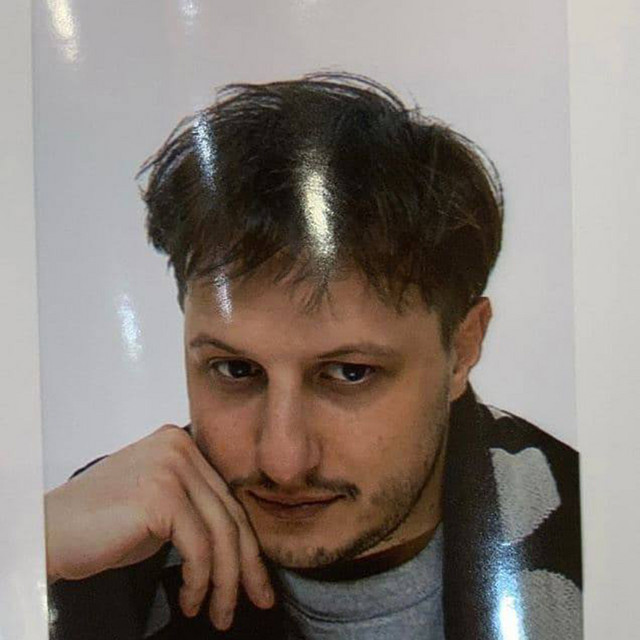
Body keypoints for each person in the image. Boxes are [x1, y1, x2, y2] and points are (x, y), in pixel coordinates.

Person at [46, 73, 582, 640]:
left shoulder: (607, 535)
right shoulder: (98, 549)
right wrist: (24, 557)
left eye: (350, 373)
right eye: (236, 370)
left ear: (462, 349)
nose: (283, 462)